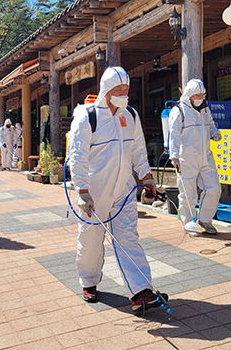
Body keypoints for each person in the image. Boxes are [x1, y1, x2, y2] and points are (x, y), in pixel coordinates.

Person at [68, 66, 166, 312]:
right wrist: (82, 190)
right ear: (106, 90)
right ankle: (89, 282)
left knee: (128, 238)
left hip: (123, 189)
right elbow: (77, 156)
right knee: (91, 239)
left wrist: (147, 178)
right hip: (94, 191)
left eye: (126, 90)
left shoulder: (130, 115)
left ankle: (140, 292)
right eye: (119, 90)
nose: (124, 94)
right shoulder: (87, 116)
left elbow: (138, 150)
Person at [168, 79, 222, 236]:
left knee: (213, 187)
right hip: (186, 158)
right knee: (188, 193)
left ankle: (205, 219)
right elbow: (174, 135)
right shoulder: (179, 111)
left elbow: (210, 124)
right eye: (197, 95)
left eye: (203, 95)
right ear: (190, 95)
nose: (201, 98)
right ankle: (188, 223)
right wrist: (174, 155)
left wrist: (214, 132)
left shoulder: (204, 109)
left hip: (206, 155)